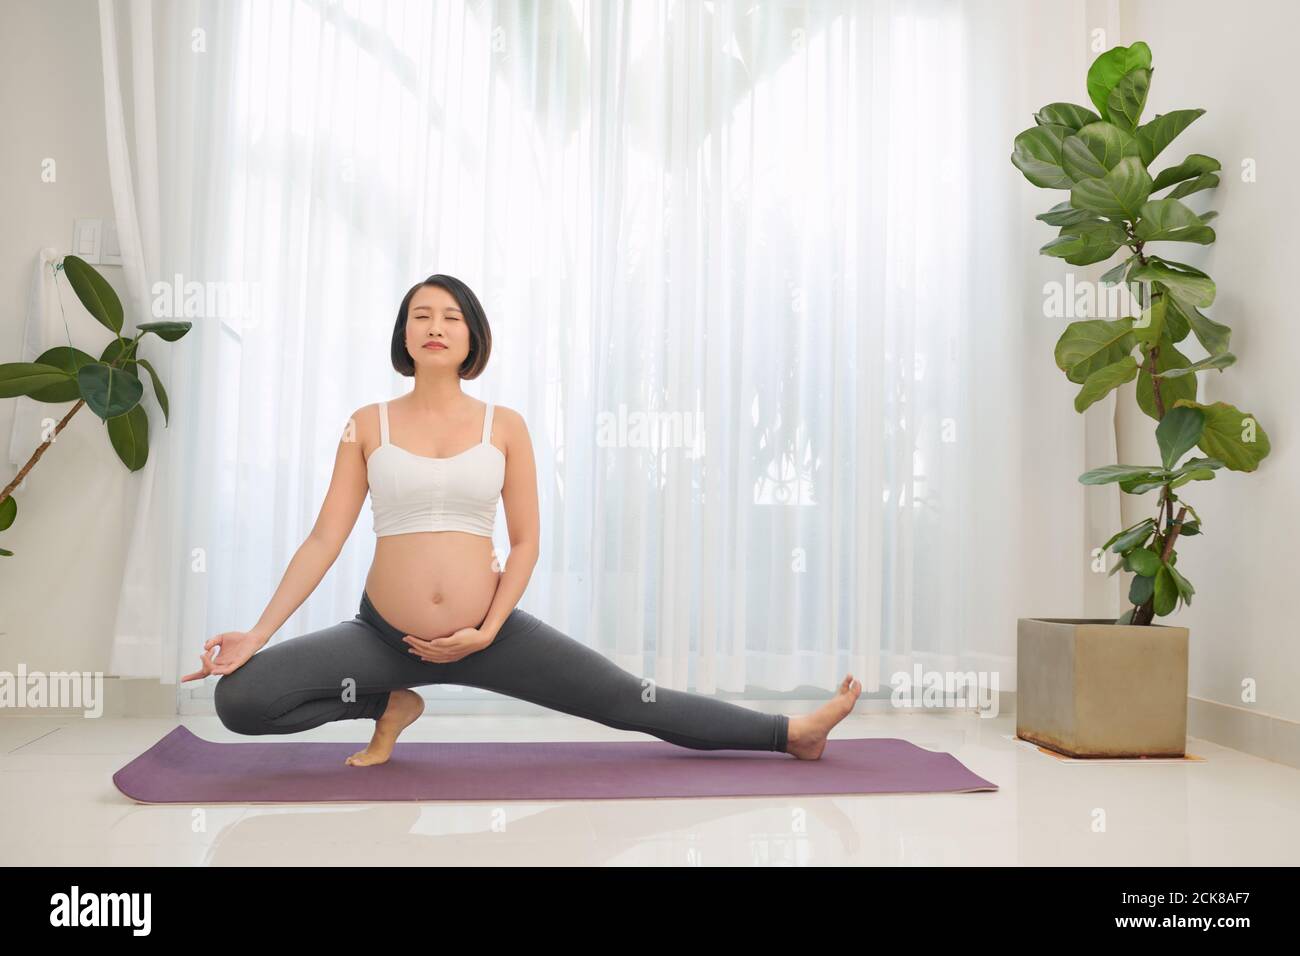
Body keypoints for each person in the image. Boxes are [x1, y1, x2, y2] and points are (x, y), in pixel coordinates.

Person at [182, 274, 861, 766]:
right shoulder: (367, 425)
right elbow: (325, 537)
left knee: (630, 700)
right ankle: (387, 704)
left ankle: (790, 732)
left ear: (473, 334)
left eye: (451, 316)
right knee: (241, 701)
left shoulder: (504, 425)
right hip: (385, 638)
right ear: (404, 334)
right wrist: (258, 632)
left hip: (493, 631)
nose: (436, 326)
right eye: (421, 315)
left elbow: (528, 541)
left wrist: (485, 629)